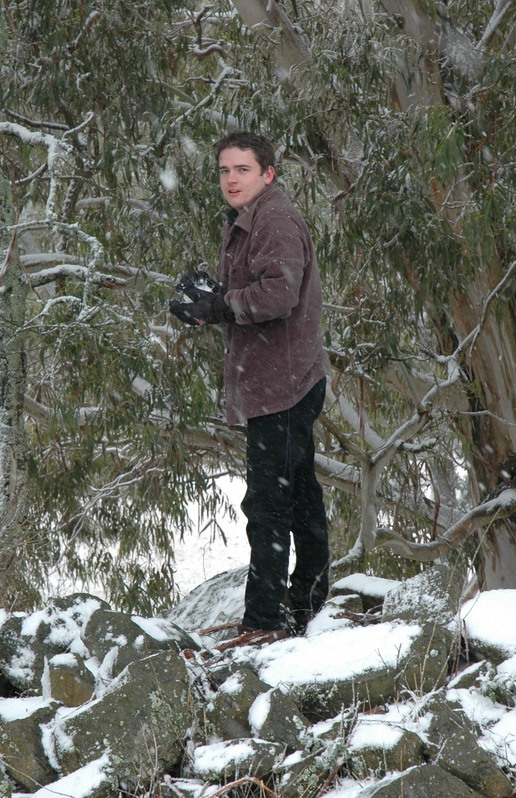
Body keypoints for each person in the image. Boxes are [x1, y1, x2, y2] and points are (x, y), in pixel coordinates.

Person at [169, 131, 330, 639]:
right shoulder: (252, 219)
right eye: (224, 170)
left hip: (283, 387)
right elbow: (255, 293)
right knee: (299, 496)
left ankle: (265, 621)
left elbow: (278, 295)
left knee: (269, 504)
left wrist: (218, 304)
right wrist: (212, 298)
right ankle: (306, 604)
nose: (231, 179)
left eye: (242, 169)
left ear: (268, 174)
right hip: (281, 383)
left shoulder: (274, 219)